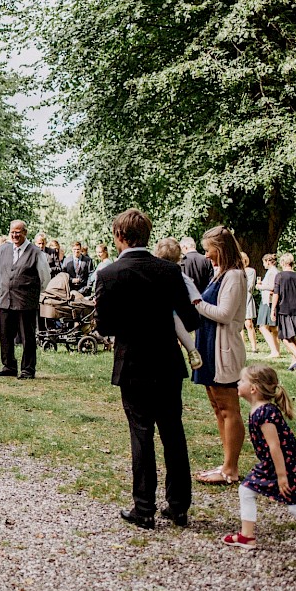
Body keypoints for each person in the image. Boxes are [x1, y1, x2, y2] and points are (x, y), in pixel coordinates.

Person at [96, 209, 199, 530]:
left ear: (119, 236)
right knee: (173, 433)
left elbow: (105, 325)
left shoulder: (110, 274)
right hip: (167, 361)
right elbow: (192, 319)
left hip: (134, 363)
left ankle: (144, 508)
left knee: (141, 435)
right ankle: (179, 506)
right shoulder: (169, 272)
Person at [223, 365, 296, 566]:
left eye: (242, 381)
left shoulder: (264, 413)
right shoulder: (261, 410)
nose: (238, 383)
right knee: (246, 490)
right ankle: (247, 536)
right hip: (273, 465)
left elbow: (275, 445)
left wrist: (281, 476)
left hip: (282, 467)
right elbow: (286, 436)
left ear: (253, 389)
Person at [194, 226, 248, 486]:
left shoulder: (235, 276)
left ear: (221, 249)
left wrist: (195, 302)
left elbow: (225, 314)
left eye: (209, 250)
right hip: (208, 346)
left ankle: (231, 468)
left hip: (223, 350)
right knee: (218, 407)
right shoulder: (220, 274)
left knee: (229, 408)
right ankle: (226, 463)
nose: (206, 256)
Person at [0, 221, 50, 380]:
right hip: (6, 300)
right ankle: (8, 366)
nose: (15, 235)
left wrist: (31, 292)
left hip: (25, 301)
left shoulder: (36, 252)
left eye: (18, 232)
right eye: (12, 232)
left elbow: (45, 278)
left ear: (25, 232)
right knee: (5, 334)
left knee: (27, 337)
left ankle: (28, 369)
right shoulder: (4, 250)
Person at [153, 238, 204, 370]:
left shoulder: (152, 270)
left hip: (159, 309)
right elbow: (189, 284)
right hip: (171, 309)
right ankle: (192, 349)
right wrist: (195, 297)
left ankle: (192, 349)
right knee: (177, 324)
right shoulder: (176, 272)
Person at [271, 253, 296, 372]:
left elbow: (276, 294)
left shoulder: (280, 276)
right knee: (292, 336)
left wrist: (273, 309)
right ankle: (294, 362)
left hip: (285, 309)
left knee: (284, 336)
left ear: (283, 263)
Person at [255, 253, 281, 357]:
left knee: (262, 327)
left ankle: (274, 351)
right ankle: (276, 351)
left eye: (264, 262)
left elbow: (272, 286)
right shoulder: (275, 272)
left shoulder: (272, 272)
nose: (263, 265)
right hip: (270, 300)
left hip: (268, 302)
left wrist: (259, 287)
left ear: (268, 261)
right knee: (273, 328)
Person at [241, 252, 258, 353]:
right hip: (237, 300)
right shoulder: (234, 271)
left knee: (248, 323)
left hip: (247, 299)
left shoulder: (251, 271)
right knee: (239, 326)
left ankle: (254, 347)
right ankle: (242, 346)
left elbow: (250, 286)